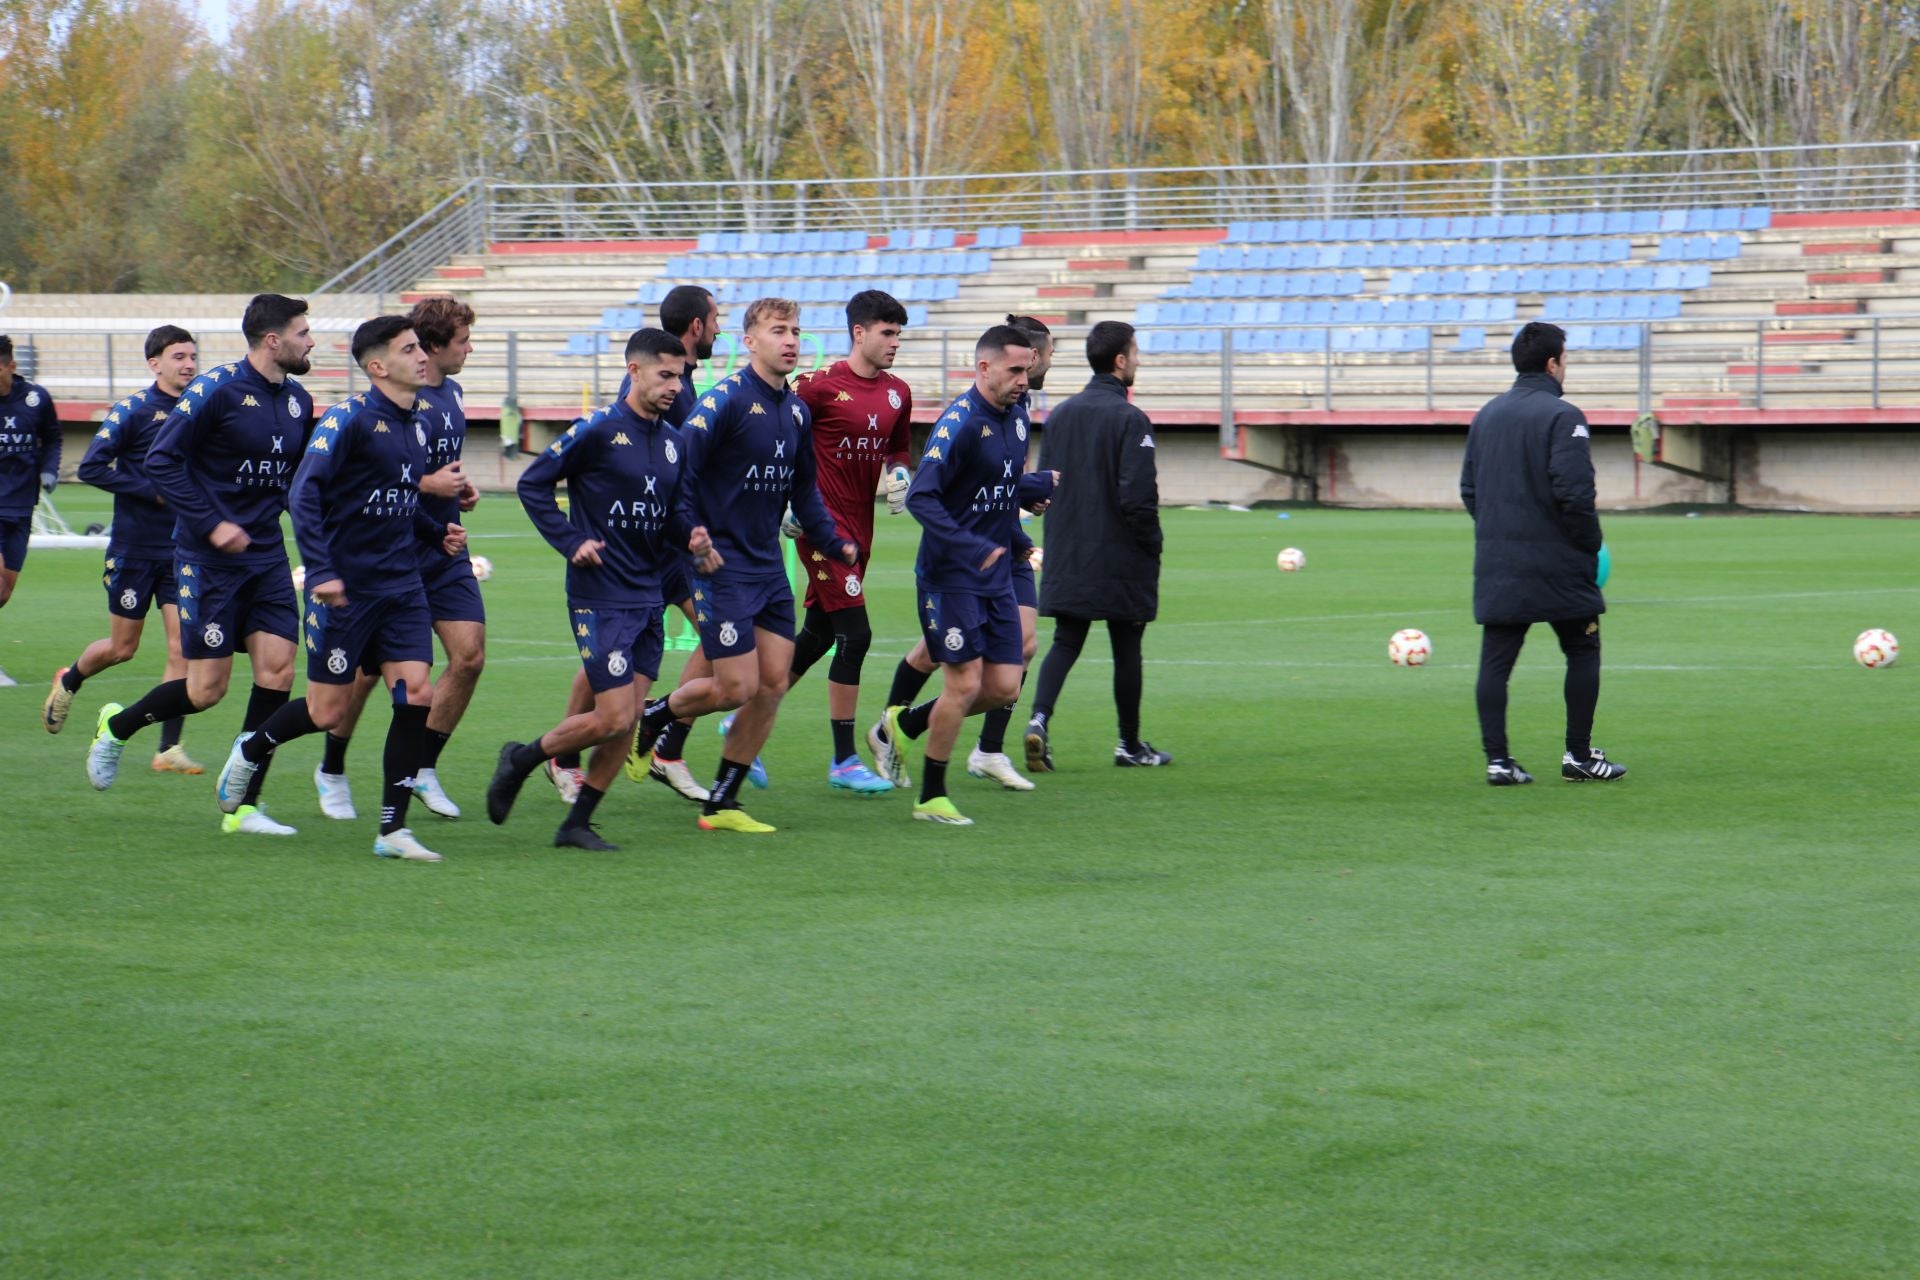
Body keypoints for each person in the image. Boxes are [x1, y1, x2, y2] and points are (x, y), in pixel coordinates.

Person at [213, 315, 466, 862]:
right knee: (328, 711)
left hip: (402, 585)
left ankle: (392, 830)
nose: (423, 356)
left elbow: (396, 492)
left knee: (415, 693)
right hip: (345, 590)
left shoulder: (419, 421)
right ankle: (252, 748)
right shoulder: (348, 419)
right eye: (408, 349)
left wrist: (434, 530)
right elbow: (305, 495)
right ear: (378, 367)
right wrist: (323, 572)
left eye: (421, 346)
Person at [86, 294, 315, 837]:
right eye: (303, 332)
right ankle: (117, 728)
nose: (312, 342)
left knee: (278, 671)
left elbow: (301, 481)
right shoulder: (217, 389)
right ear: (272, 340)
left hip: (266, 557)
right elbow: (162, 460)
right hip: (207, 559)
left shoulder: (300, 401)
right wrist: (212, 524)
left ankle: (242, 808)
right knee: (206, 689)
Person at [627, 296, 857, 833]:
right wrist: (691, 538)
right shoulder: (724, 400)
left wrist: (832, 540)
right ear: (750, 342)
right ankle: (653, 717)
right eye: (779, 330)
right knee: (735, 687)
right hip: (719, 567)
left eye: (796, 330)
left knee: (772, 683)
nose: (791, 340)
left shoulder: (797, 411)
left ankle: (723, 802)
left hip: (769, 570)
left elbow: (805, 491)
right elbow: (676, 469)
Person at [487, 329, 716, 849]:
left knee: (628, 719)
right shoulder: (596, 429)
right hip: (600, 595)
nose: (675, 388)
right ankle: (522, 758)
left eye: (679, 377)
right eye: (664, 375)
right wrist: (570, 541)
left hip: (648, 595)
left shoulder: (675, 443)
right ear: (633, 371)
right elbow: (533, 484)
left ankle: (576, 823)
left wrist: (693, 537)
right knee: (614, 715)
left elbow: (674, 516)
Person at [867, 325, 1052, 826]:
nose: (1023, 378)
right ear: (984, 368)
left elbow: (998, 491)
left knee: (1004, 687)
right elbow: (922, 496)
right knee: (965, 684)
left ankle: (900, 725)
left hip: (995, 573)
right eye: (1014, 370)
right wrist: (973, 545)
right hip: (950, 576)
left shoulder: (1016, 417)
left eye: (1027, 368)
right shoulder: (960, 422)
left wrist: (1018, 540)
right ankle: (931, 795)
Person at [311, 296, 481, 822]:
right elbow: (376, 473)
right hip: (389, 549)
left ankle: (422, 767)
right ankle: (332, 766)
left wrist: (458, 489)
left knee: (469, 656)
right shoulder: (381, 407)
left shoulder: (451, 394)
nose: (469, 349)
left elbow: (436, 465)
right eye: (462, 340)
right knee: (365, 677)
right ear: (426, 348)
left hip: (443, 544)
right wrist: (427, 483)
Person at [1460, 321, 1625, 785]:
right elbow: (1575, 493)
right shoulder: (1563, 415)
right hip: (1557, 563)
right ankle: (1577, 756)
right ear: (1553, 364)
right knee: (1582, 648)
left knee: (1496, 660)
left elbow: (1469, 490)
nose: (1565, 367)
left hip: (1498, 562)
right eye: (1565, 359)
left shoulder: (1486, 415)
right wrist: (1590, 545)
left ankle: (1498, 761)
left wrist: (1501, 531)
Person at [48, 326, 202, 774]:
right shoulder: (133, 410)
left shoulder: (203, 410)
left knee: (183, 648)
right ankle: (70, 678)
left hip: (183, 550)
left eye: (193, 356)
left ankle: (168, 748)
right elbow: (92, 465)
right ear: (155, 363)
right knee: (123, 647)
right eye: (179, 357)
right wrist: (150, 491)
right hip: (134, 548)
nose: (189, 364)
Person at [1025, 320, 1171, 770]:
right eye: (1136, 352)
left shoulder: (1061, 414)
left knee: (1066, 641)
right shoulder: (1130, 418)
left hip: (1069, 550)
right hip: (1120, 553)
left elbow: (1040, 491)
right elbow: (1138, 496)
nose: (1139, 360)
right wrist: (1153, 544)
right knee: (1127, 645)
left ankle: (1038, 720)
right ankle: (1129, 744)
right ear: (1121, 361)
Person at [784, 289, 914, 794]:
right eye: (887, 332)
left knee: (817, 634)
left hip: (861, 532)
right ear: (859, 332)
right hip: (820, 529)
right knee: (856, 636)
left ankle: (749, 717)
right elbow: (781, 443)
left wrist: (900, 472)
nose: (894, 342)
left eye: (899, 334)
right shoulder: (815, 387)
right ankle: (843, 759)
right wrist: (788, 502)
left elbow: (898, 449)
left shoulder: (897, 392)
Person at [0, 332, 61, 689]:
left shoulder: (36, 399)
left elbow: (52, 436)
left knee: (5, 592)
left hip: (22, 507)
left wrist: (49, 469)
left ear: (11, 366)